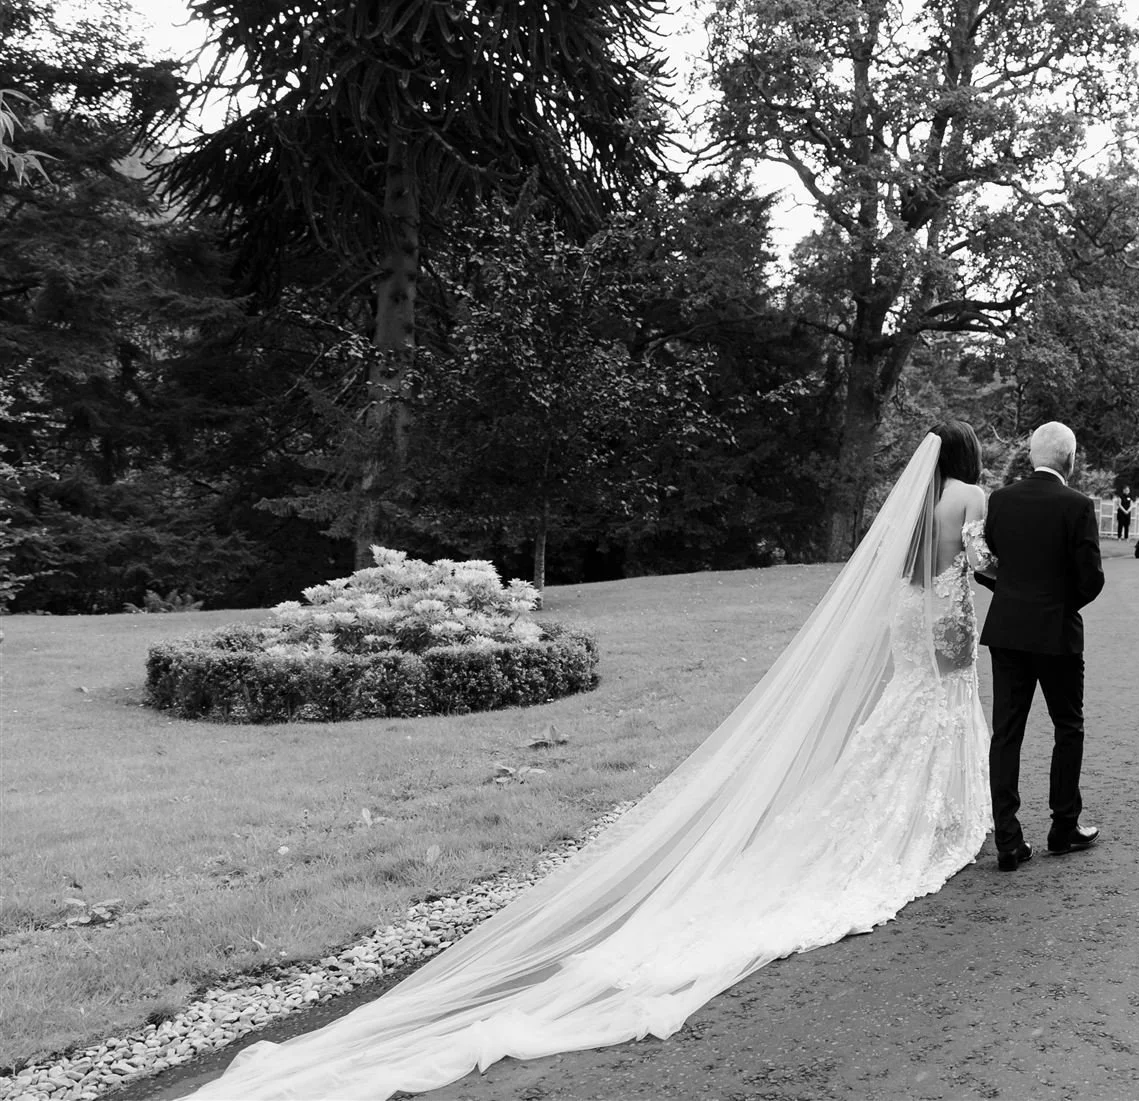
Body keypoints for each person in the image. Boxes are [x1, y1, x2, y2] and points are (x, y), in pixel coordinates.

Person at [186, 423, 999, 1100]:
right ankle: (940, 821)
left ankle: (905, 815)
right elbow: (976, 566)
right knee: (938, 715)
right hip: (946, 623)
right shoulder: (968, 498)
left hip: (906, 614)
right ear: (965, 465)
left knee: (901, 719)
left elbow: (917, 576)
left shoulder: (910, 514)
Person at [981, 421, 1107, 873]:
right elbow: (1091, 579)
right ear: (1070, 460)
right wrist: (1057, 604)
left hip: (1009, 632)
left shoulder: (1001, 500)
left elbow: (988, 565)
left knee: (1007, 733)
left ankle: (1009, 841)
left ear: (1031, 456)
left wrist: (1017, 595)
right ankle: (1063, 827)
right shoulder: (1077, 506)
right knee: (1067, 727)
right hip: (1057, 635)